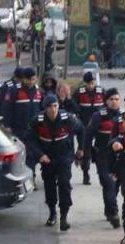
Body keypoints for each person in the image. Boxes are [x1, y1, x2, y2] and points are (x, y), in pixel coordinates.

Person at [27, 94, 81, 230]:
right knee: (50, 186)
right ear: (45, 108)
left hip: (64, 156)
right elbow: (29, 140)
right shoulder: (37, 121)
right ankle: (52, 213)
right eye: (50, 107)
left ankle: (64, 216)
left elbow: (81, 130)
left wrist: (81, 149)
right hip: (47, 158)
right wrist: (40, 155)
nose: (53, 109)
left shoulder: (67, 118)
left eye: (55, 106)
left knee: (64, 184)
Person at [85, 88, 124, 227]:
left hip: (119, 157)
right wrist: (86, 154)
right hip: (103, 155)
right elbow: (88, 135)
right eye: (111, 99)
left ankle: (109, 210)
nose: (114, 102)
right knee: (108, 183)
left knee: (115, 186)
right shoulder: (98, 116)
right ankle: (113, 213)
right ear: (106, 101)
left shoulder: (124, 117)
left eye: (116, 99)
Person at [75, 72, 106, 185]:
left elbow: (107, 104)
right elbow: (74, 105)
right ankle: (85, 173)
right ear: (85, 83)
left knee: (99, 148)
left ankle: (101, 170)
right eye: (88, 83)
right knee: (85, 149)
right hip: (85, 125)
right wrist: (77, 114)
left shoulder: (102, 91)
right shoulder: (79, 92)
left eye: (92, 83)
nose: (91, 85)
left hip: (99, 125)